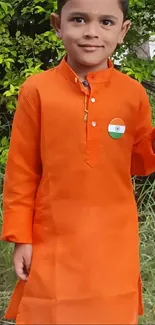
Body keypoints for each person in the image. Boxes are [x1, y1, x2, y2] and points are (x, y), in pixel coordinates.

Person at [1, 0, 155, 323]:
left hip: (114, 247)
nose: (91, 33)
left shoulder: (133, 95)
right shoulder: (37, 91)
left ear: (124, 31)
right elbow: (22, 171)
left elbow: (142, 162)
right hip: (52, 244)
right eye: (79, 19)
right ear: (58, 25)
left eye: (106, 23)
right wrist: (21, 238)